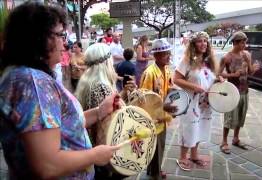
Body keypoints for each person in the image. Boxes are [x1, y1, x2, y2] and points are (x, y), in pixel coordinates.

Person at [0, 2, 121, 179]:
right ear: (38, 37)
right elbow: (47, 165)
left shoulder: (22, 75)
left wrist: (99, 112)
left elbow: (61, 125)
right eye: (60, 35)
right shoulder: (33, 83)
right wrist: (95, 155)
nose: (65, 44)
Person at [75, 43, 136, 179]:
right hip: (102, 153)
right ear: (107, 61)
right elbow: (115, 122)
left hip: (91, 149)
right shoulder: (102, 87)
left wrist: (124, 92)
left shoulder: (87, 82)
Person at [174, 31, 222, 171]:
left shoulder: (208, 62)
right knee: (188, 128)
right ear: (194, 44)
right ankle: (183, 157)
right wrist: (194, 87)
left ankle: (194, 155)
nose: (203, 44)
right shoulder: (187, 61)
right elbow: (176, 79)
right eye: (200, 41)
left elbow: (209, 79)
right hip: (190, 103)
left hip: (205, 104)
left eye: (205, 41)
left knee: (200, 127)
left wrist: (218, 79)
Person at [140, 39, 177, 179]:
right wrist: (164, 105)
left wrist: (172, 95)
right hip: (153, 118)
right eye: (165, 54)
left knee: (159, 145)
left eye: (169, 53)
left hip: (163, 116)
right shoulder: (149, 73)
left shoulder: (166, 69)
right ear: (156, 56)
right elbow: (144, 100)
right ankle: (155, 174)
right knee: (156, 146)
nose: (168, 56)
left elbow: (169, 88)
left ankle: (154, 169)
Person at [218, 31, 259, 154]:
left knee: (241, 116)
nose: (245, 45)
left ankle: (236, 138)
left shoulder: (246, 54)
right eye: (242, 42)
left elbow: (250, 72)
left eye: (245, 42)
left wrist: (254, 68)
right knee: (230, 117)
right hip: (232, 91)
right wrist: (232, 74)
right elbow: (218, 74)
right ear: (235, 42)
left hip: (245, 90)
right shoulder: (227, 57)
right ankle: (224, 141)